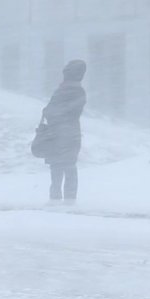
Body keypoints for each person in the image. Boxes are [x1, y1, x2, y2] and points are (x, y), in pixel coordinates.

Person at [42, 59, 87, 204]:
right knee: (67, 165)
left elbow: (52, 111)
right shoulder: (76, 91)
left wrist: (52, 112)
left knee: (59, 166)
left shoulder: (66, 90)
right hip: (68, 133)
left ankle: (58, 199)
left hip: (59, 133)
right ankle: (68, 199)